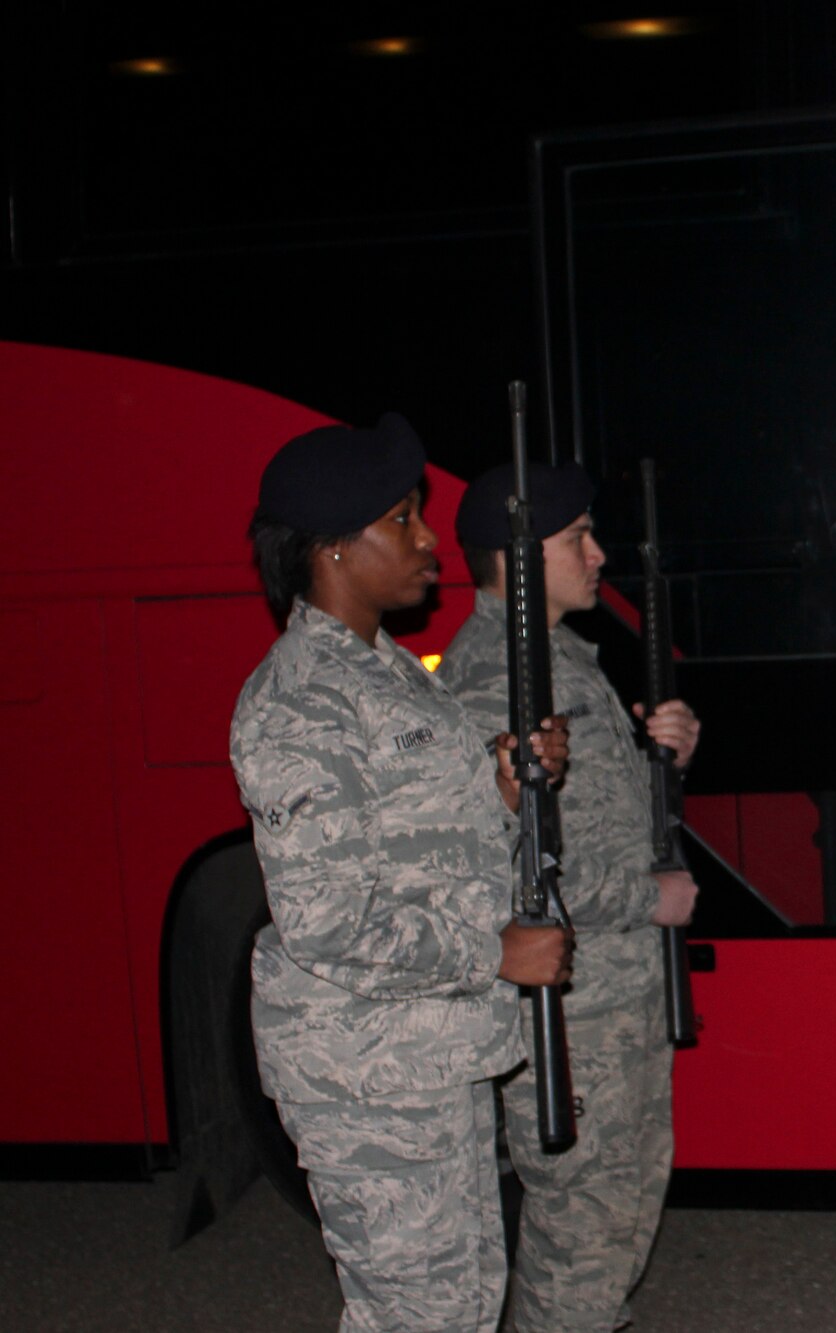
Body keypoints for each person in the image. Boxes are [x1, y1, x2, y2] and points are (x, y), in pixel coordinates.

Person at [231, 415, 574, 1333]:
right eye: (403, 520)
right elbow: (328, 920)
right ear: (334, 549)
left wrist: (502, 792)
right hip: (365, 1072)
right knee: (414, 1316)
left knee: (459, 1305)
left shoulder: (386, 672)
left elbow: (429, 851)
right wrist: (494, 951)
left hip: (430, 1051)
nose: (429, 541)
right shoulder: (302, 701)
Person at [440, 460, 699, 1333]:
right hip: (575, 1014)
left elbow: (601, 822)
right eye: (574, 538)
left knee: (619, 1217)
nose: (598, 554)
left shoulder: (563, 661)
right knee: (577, 1231)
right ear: (516, 560)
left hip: (617, 999)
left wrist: (668, 761)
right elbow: (513, 866)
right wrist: (648, 898)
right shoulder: (492, 679)